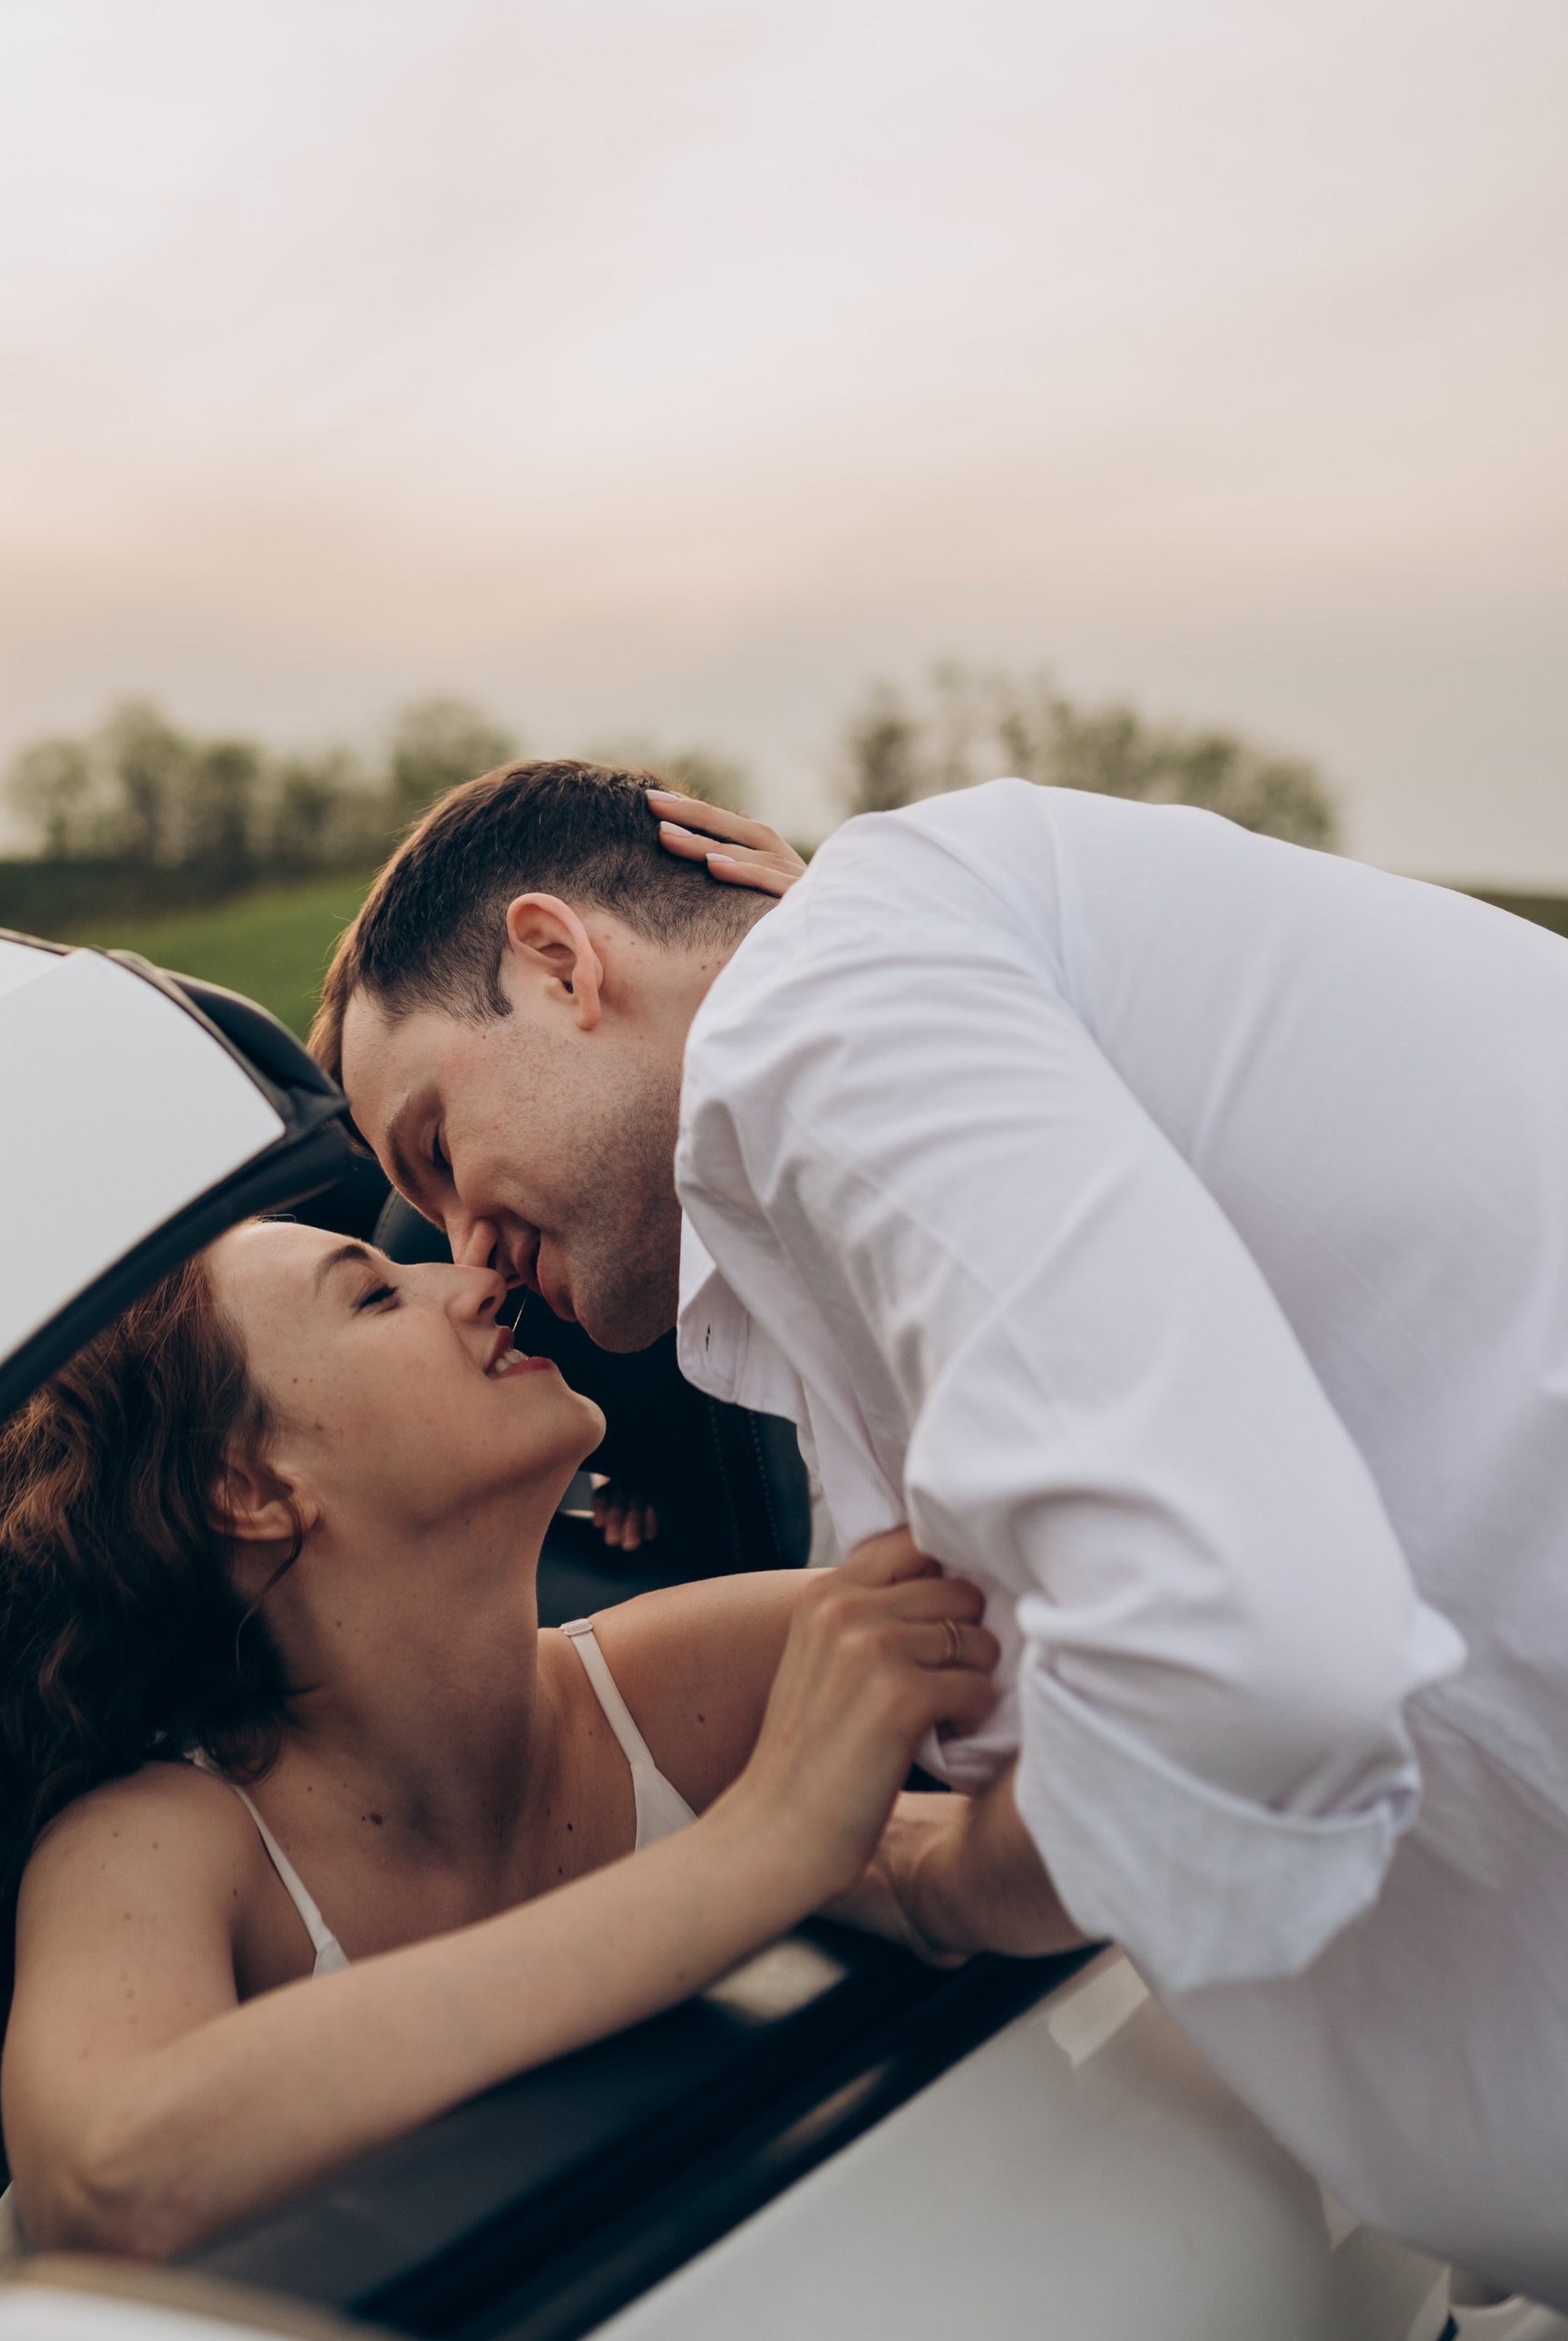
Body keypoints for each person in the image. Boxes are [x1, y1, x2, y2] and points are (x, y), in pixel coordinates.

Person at [315, 757, 1568, 2307]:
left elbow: (1242, 1661)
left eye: (437, 1146)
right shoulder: (884, 988)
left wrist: (951, 1875)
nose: (467, 1251)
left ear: (561, 960)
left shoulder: (823, 1016)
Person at [0, 1228, 996, 2279]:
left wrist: (945, 1876)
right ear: (251, 1483)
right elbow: (110, 2182)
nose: (475, 1275)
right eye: (378, 1291)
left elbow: (1142, 1729)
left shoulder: (696, 1674)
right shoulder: (158, 1836)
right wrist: (765, 1849)